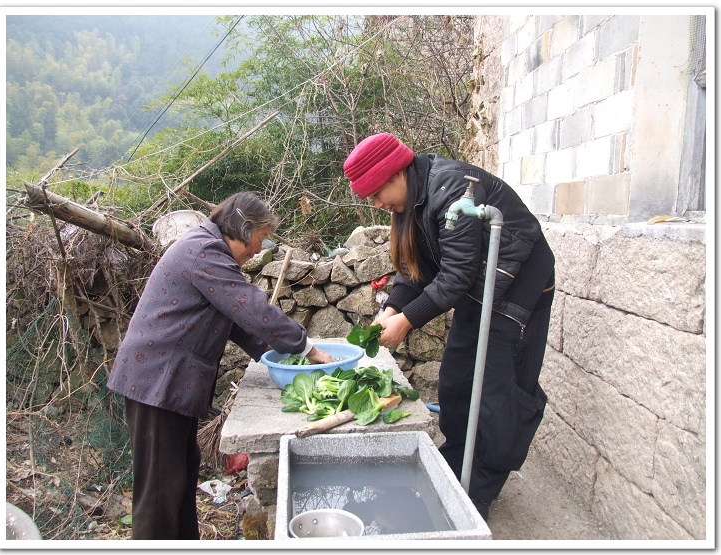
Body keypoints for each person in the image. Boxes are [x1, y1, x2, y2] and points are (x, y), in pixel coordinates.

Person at [343, 133, 555, 521]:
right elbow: (415, 268)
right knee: (457, 380)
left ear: (396, 173)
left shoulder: (451, 188)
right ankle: (458, 466)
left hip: (517, 282)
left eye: (376, 194)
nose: (376, 205)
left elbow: (456, 277)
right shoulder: (411, 201)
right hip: (482, 285)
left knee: (495, 389)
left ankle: (476, 493)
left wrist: (405, 322)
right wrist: (391, 308)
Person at [106, 191, 333, 539]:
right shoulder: (205, 251)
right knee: (160, 493)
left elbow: (236, 319)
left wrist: (280, 355)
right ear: (241, 229)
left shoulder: (208, 249)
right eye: (257, 241)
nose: (258, 250)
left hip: (165, 382)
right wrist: (307, 347)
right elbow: (249, 306)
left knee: (180, 478)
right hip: (155, 381)